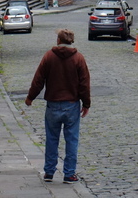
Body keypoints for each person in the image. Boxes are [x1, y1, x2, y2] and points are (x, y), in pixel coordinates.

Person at [25, 28, 91, 184]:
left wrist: (30, 97)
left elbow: (38, 79)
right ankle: (69, 173)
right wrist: (86, 103)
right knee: (72, 140)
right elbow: (84, 84)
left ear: (58, 40)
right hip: (71, 104)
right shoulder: (78, 58)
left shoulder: (49, 56)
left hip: (53, 104)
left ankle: (49, 172)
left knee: (52, 139)